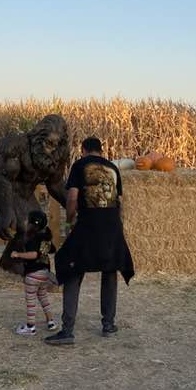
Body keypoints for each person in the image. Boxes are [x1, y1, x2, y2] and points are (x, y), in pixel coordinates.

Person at [46, 137, 134, 346]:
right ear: (100, 150)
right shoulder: (113, 168)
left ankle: (67, 331)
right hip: (112, 226)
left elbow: (73, 197)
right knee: (110, 269)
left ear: (84, 150)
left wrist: (69, 218)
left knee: (71, 268)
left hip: (89, 224)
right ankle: (108, 325)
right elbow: (118, 202)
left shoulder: (79, 165)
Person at [9, 209, 58, 336]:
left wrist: (18, 254)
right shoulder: (46, 237)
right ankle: (51, 321)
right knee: (43, 297)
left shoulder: (33, 238)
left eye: (28, 221)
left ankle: (30, 326)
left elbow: (34, 254)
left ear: (32, 224)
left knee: (30, 299)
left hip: (33, 274)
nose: (26, 223)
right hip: (45, 273)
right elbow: (52, 250)